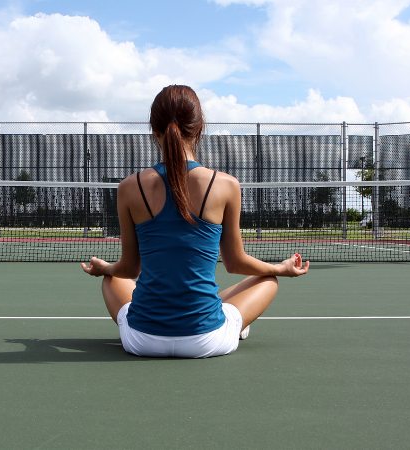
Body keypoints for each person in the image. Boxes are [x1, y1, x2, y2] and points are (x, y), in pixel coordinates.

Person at [81, 85, 310, 358]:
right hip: (208, 339)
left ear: (154, 130)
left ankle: (209, 314)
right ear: (200, 128)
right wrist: (281, 268)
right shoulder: (226, 185)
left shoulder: (129, 187)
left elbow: (130, 268)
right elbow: (236, 263)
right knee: (269, 280)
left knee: (110, 278)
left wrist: (104, 267)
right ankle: (234, 324)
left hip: (142, 341)